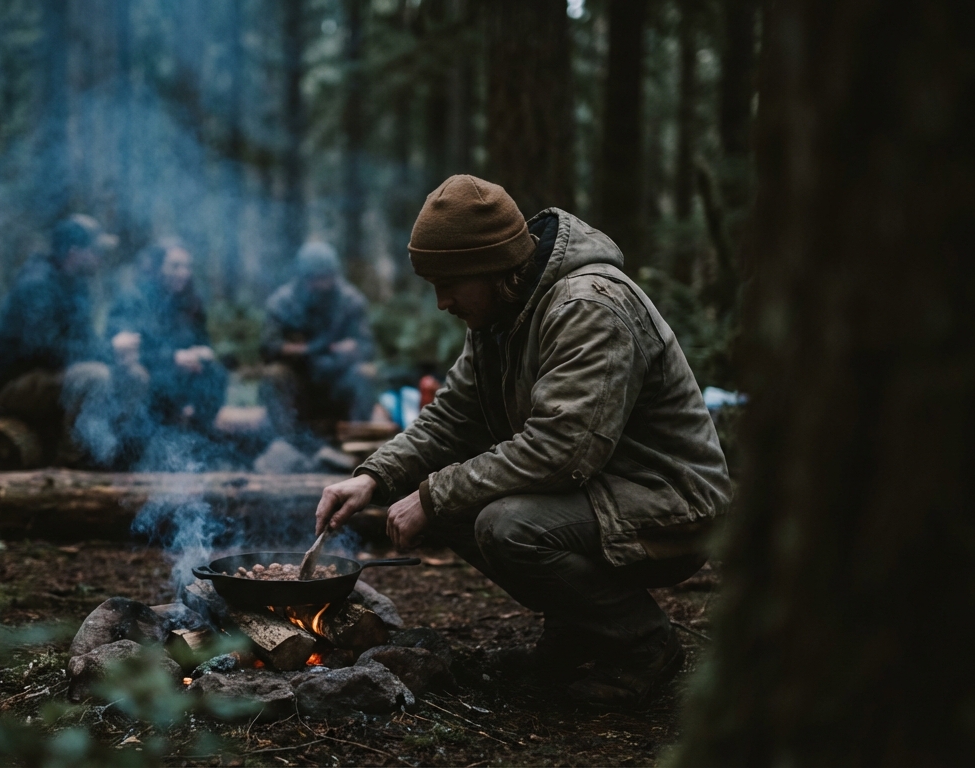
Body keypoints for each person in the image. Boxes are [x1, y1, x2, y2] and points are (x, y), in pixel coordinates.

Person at [313, 175, 732, 709]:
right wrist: (373, 477)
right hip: (604, 492)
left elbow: (562, 450)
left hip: (671, 501)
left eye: (449, 283)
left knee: (506, 524)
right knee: (450, 503)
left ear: (492, 266)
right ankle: (579, 633)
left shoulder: (588, 306)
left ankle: (643, 646)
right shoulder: (499, 314)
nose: (442, 301)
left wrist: (432, 494)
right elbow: (453, 416)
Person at [0, 214, 147, 468]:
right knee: (95, 377)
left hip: (55, 378)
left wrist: (115, 353)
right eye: (95, 250)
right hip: (14, 385)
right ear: (74, 251)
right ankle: (73, 467)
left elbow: (84, 342)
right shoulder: (37, 284)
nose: (100, 258)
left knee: (134, 375)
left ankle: (113, 456)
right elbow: (42, 348)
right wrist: (108, 350)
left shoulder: (77, 285)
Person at [106, 239, 228, 433]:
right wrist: (173, 358)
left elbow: (202, 340)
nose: (183, 273)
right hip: (152, 371)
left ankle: (199, 435)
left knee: (215, 374)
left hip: (183, 372)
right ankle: (150, 437)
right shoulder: (134, 299)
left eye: (187, 266)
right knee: (158, 381)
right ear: (156, 267)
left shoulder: (190, 301)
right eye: (175, 266)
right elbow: (125, 349)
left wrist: (201, 352)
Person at [260, 242, 377, 438]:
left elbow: (367, 346)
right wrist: (302, 350)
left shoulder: (351, 302)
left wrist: (352, 349)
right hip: (299, 379)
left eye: (326, 277)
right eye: (315, 278)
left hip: (338, 379)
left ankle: (356, 441)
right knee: (274, 375)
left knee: (364, 374)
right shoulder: (282, 303)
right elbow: (267, 348)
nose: (321, 284)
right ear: (302, 277)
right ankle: (286, 442)